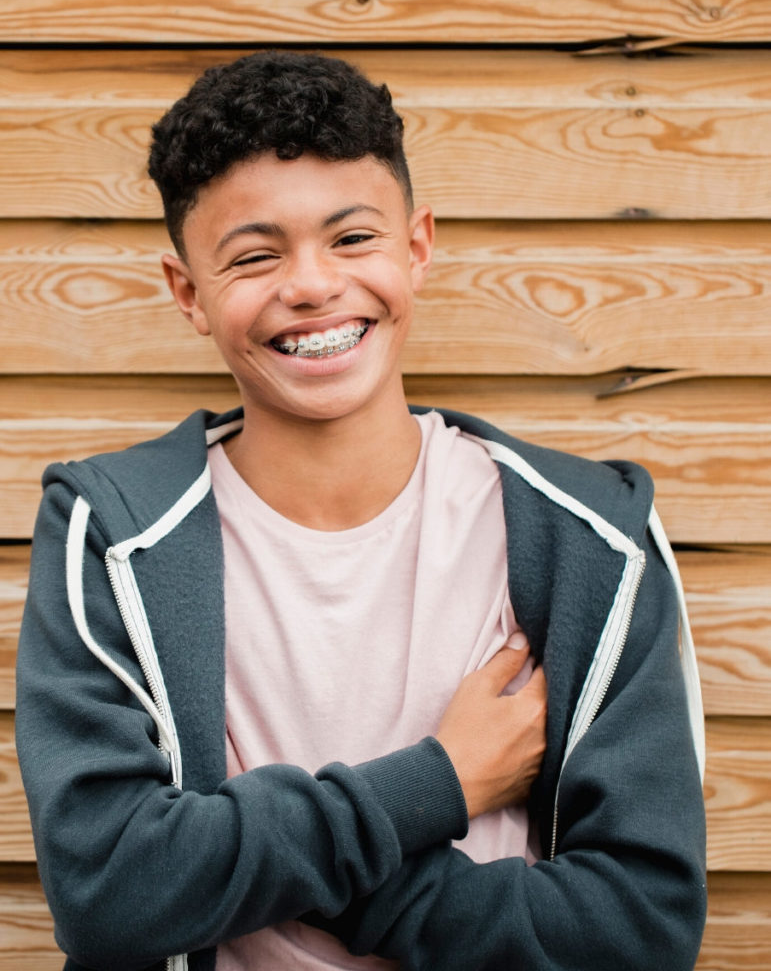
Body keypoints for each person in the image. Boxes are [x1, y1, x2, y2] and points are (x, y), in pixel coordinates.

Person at [15, 50, 707, 971]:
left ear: (416, 248)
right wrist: (439, 783)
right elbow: (108, 892)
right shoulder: (112, 538)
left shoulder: (586, 539)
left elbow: (639, 929)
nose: (310, 284)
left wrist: (291, 871)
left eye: (351, 239)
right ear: (189, 294)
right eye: (255, 256)